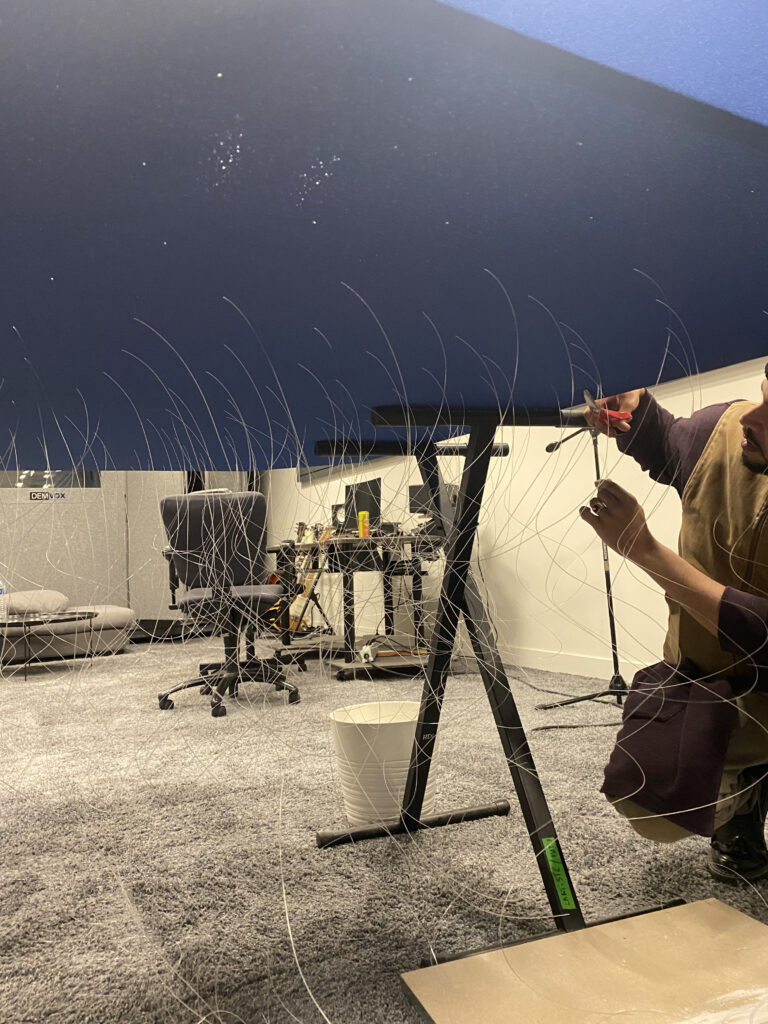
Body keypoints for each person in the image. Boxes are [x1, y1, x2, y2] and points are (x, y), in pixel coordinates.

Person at [580, 369, 768, 882]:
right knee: (652, 801)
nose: (751, 416)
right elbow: (667, 441)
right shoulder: (726, 430)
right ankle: (744, 793)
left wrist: (645, 551)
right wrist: (635, 409)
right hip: (713, 680)